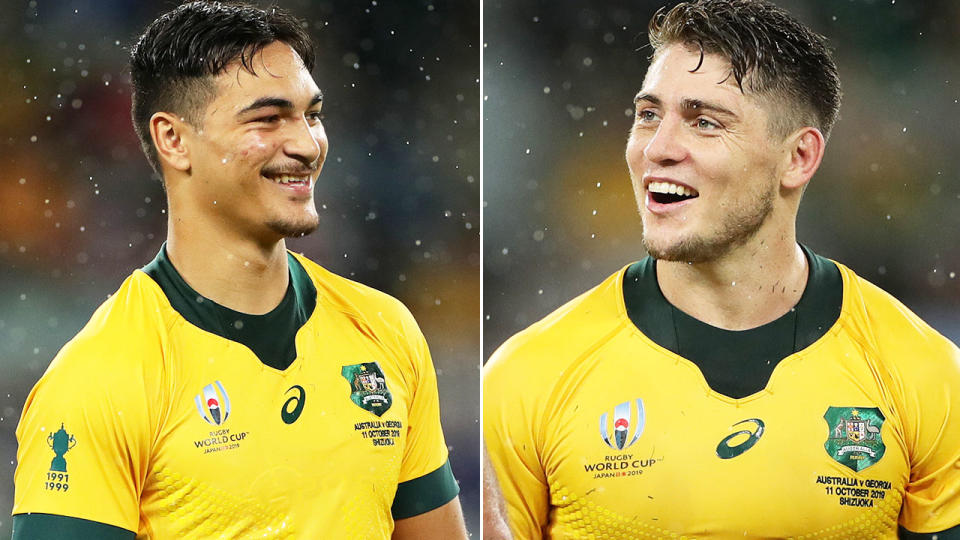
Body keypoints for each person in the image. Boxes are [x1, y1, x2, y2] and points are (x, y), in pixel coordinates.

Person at [483, 0, 960, 538]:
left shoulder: (926, 374)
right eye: (648, 115)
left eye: (705, 122)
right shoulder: (528, 378)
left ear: (798, 158)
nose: (657, 148)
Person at [12, 2, 467, 539]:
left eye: (312, 115)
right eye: (268, 119)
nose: (306, 145)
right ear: (173, 140)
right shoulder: (99, 379)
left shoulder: (385, 329)